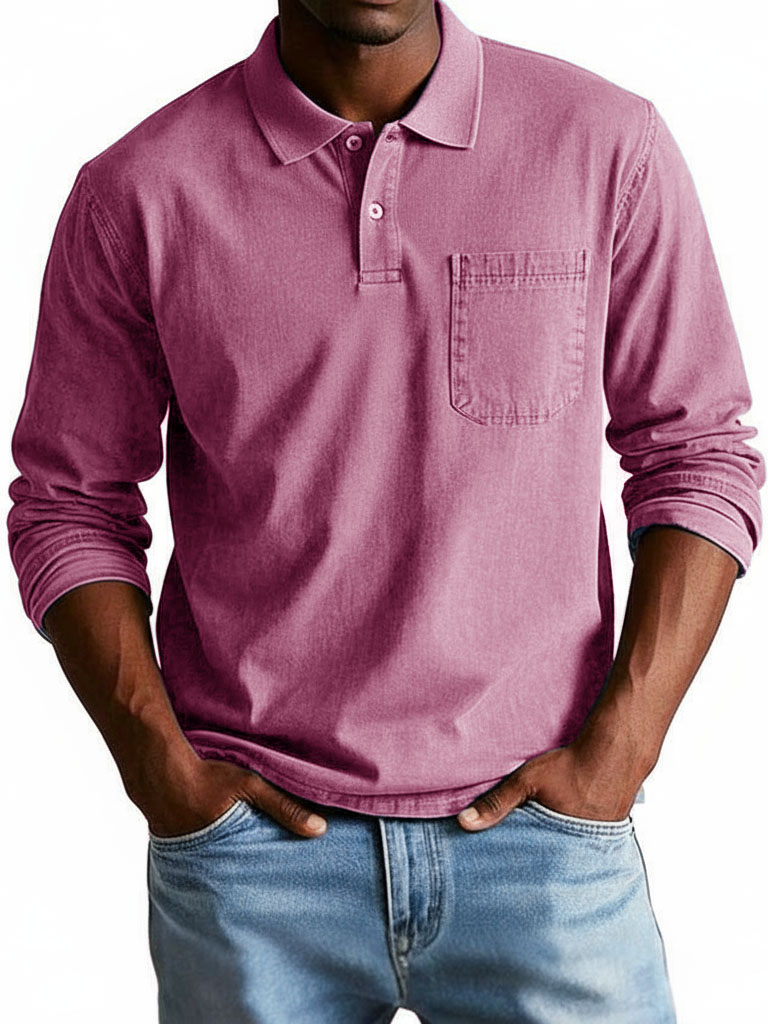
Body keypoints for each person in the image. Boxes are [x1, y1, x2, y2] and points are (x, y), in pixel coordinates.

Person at [7, 0, 764, 1020]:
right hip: (254, 858)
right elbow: (69, 501)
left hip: (543, 845)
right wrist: (160, 767)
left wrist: (622, 748)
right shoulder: (139, 190)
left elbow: (697, 451)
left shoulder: (604, 144)